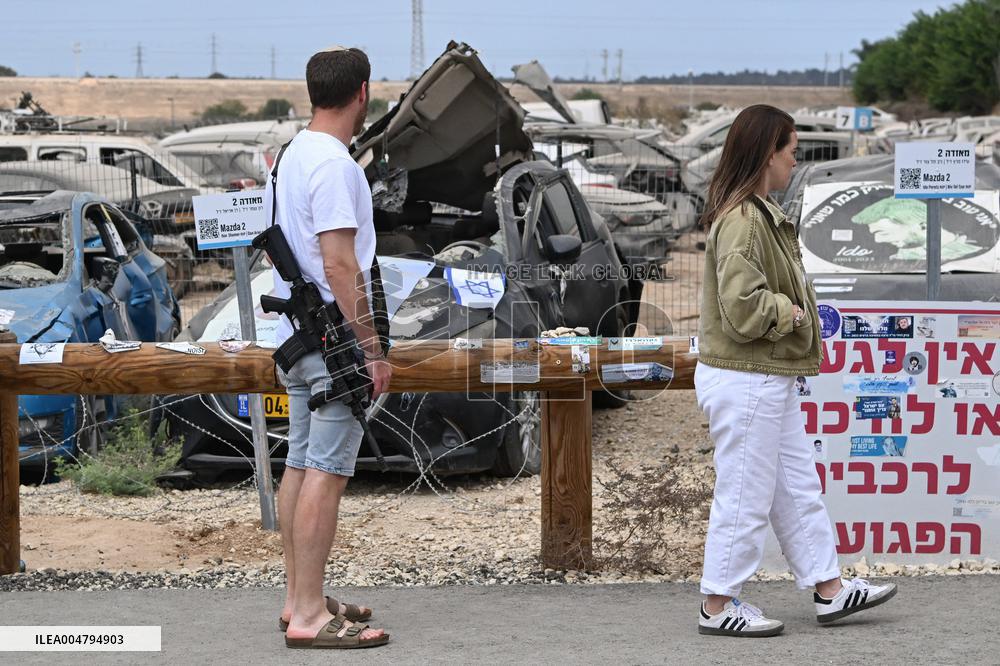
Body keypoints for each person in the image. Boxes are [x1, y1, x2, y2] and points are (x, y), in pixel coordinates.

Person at [694, 104, 897, 638]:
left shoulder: (752, 212)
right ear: (768, 153)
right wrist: (791, 312)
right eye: (791, 151)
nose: (794, 161)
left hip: (763, 374)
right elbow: (743, 307)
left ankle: (829, 590)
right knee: (745, 491)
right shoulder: (744, 218)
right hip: (748, 375)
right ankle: (717, 605)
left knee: (793, 484)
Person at [270, 46, 391, 650]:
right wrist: (370, 349)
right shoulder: (337, 165)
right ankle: (313, 617)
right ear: (362, 92)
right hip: (332, 340)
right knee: (327, 472)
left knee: (298, 464)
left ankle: (298, 598)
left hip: (294, 336)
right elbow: (341, 265)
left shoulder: (290, 155)